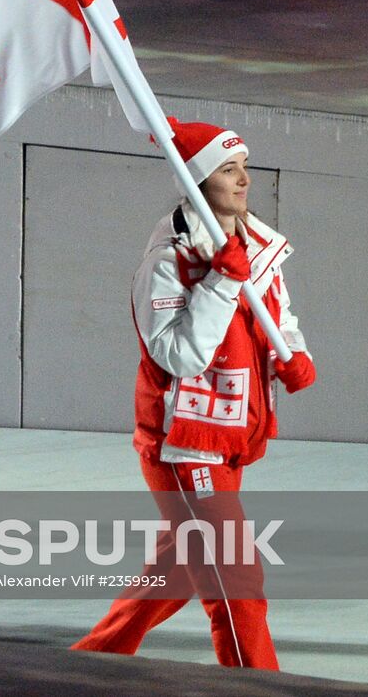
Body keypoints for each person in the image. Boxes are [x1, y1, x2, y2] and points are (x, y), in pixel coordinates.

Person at [71, 117, 317, 670]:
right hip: (184, 444)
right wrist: (221, 284)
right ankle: (258, 683)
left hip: (233, 433)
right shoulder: (167, 263)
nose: (243, 179)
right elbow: (179, 356)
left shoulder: (258, 246)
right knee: (235, 579)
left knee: (182, 566)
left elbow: (279, 316)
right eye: (227, 169)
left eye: (244, 167)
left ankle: (88, 664)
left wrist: (293, 355)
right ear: (198, 181)